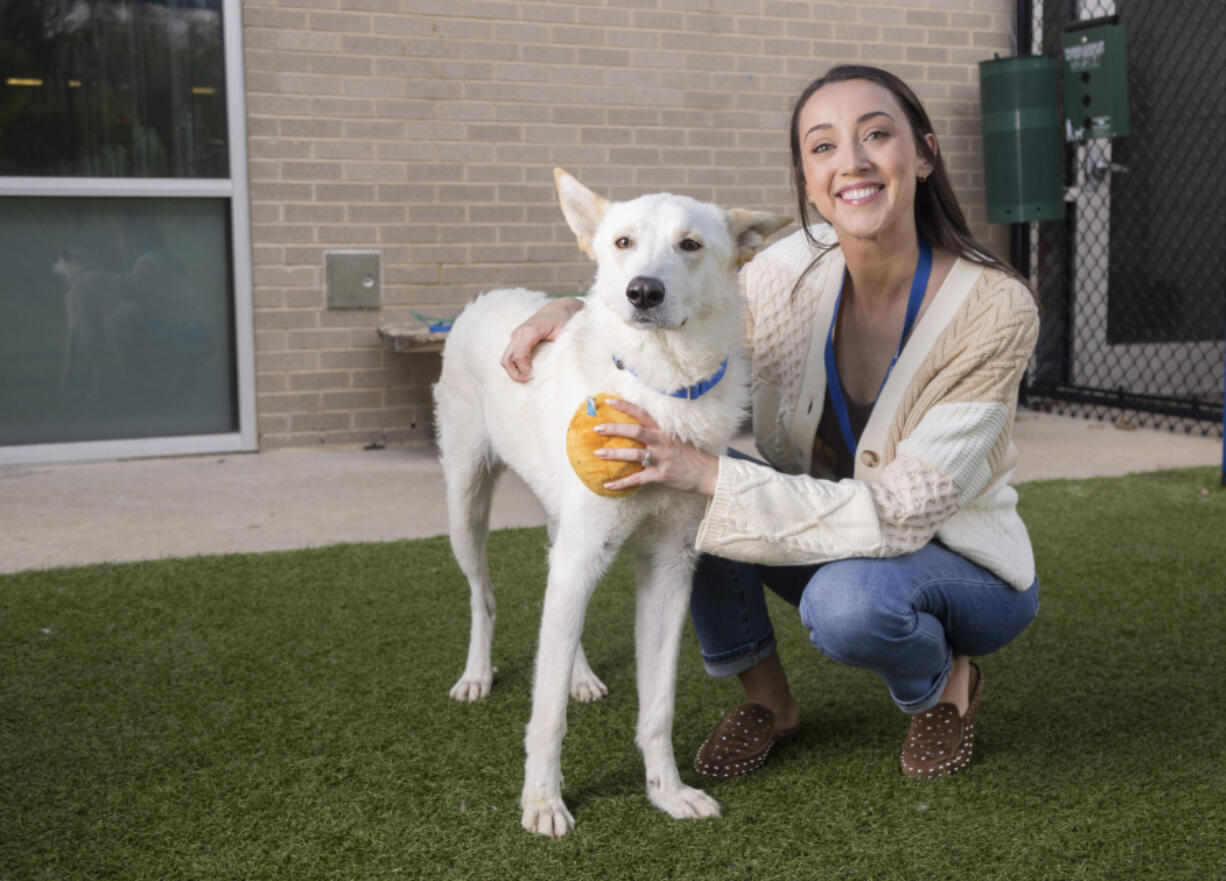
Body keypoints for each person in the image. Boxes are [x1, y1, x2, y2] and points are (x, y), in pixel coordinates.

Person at [500, 65, 1040, 780]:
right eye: (823, 147)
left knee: (841, 599)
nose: (851, 160)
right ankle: (769, 701)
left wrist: (712, 474)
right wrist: (568, 308)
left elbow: (903, 511)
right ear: (808, 180)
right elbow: (666, 286)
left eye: (876, 134)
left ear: (925, 154)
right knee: (701, 486)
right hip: (828, 524)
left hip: (958, 559)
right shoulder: (785, 269)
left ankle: (945, 684)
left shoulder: (997, 308)